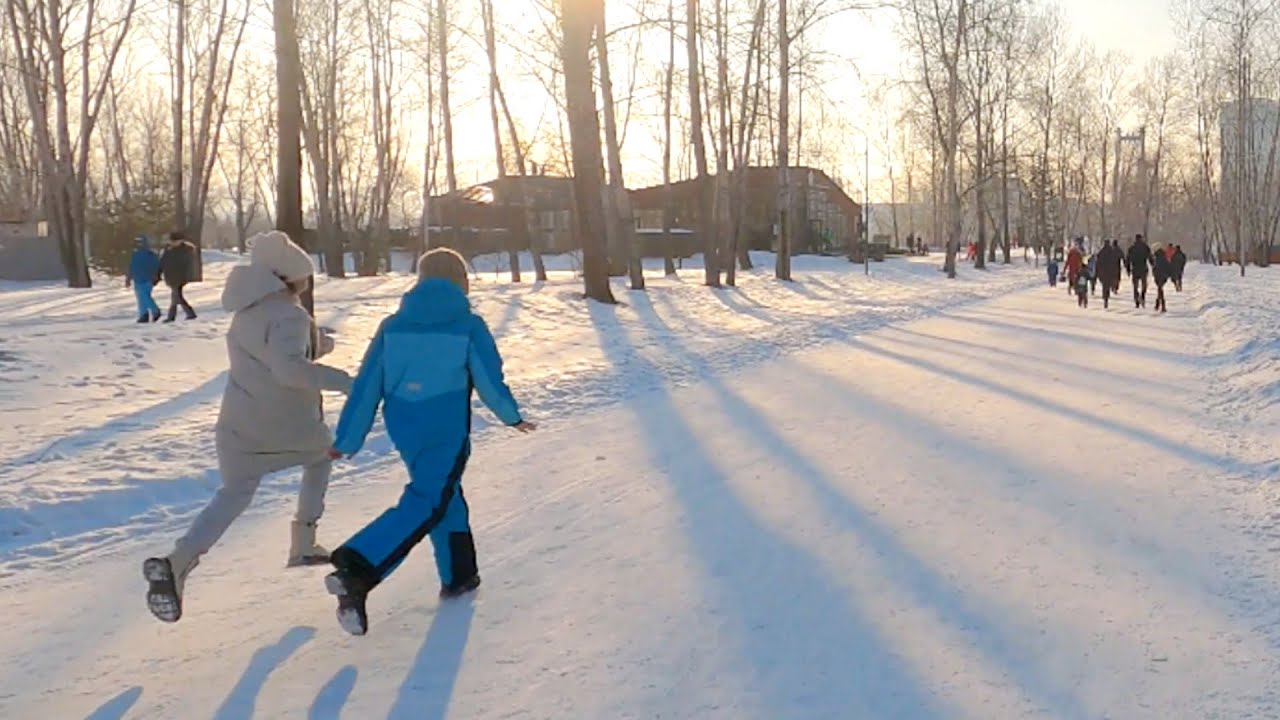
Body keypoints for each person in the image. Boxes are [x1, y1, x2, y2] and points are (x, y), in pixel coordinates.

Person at [322, 247, 535, 637]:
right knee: (427, 499)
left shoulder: (392, 325)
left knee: (444, 495)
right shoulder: (468, 325)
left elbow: (368, 383)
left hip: (404, 424)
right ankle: (357, 565)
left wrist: (348, 438)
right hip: (445, 425)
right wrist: (512, 417)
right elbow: (489, 379)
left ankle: (460, 575)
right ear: (461, 281)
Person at [143, 231, 353, 623]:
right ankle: (303, 542)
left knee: (235, 494)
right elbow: (289, 368)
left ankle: (178, 561)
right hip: (283, 425)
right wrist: (345, 381)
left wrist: (318, 343)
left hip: (239, 425)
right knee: (324, 455)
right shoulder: (289, 313)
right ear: (289, 278)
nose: (307, 282)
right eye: (304, 276)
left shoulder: (249, 312)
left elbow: (273, 350)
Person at [159, 231, 198, 322]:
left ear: (180, 241)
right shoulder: (168, 250)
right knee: (177, 296)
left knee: (176, 296)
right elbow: (162, 262)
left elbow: (187, 265)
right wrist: (158, 274)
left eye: (174, 241)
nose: (172, 243)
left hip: (179, 277)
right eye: (171, 241)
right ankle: (190, 314)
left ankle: (172, 316)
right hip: (170, 276)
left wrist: (187, 276)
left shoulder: (185, 251)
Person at [126, 235, 163, 323]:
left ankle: (155, 310)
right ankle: (144, 315)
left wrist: (156, 277)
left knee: (145, 296)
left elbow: (157, 266)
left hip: (147, 279)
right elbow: (132, 267)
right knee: (140, 298)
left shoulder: (150, 255)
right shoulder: (135, 254)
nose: (138, 244)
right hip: (138, 279)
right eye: (137, 242)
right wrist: (128, 278)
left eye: (139, 242)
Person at [1125, 234, 1153, 308]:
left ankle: (1137, 300)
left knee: (1135, 286)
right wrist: (1153, 264)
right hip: (1143, 268)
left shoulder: (1131, 249)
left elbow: (1128, 260)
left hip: (1135, 269)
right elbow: (1150, 257)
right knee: (1144, 285)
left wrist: (1128, 269)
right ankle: (1142, 296)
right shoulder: (1145, 247)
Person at [1094, 240, 1122, 309]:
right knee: (1108, 283)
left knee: (1105, 285)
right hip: (1111, 271)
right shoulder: (1113, 252)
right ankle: (1107, 295)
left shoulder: (1101, 252)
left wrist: (1097, 272)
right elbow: (1116, 262)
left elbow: (1098, 263)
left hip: (1103, 272)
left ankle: (1105, 297)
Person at [1151, 243, 1172, 313]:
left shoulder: (1156, 258)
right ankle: (1158, 304)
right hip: (1163, 276)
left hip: (1158, 275)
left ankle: (1162, 305)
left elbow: (1154, 268)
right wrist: (1168, 274)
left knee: (1160, 289)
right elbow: (1168, 266)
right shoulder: (1164, 257)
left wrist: (1154, 274)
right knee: (1160, 289)